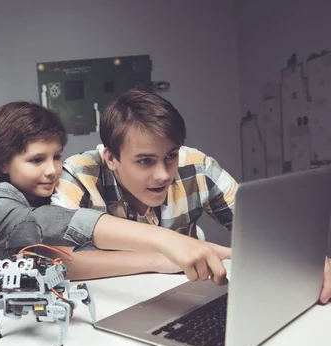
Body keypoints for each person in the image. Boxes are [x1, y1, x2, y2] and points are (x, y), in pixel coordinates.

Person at [53, 89, 331, 304]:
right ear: (111, 157)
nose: (163, 174)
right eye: (145, 161)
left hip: (189, 298)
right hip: (109, 309)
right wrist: (158, 258)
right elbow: (51, 261)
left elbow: (263, 233)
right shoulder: (79, 173)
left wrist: (308, 259)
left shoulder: (196, 165)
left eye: (170, 156)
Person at [0, 101, 231, 284]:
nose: (53, 170)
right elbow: (52, 227)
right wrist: (166, 244)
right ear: (3, 163)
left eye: (56, 157)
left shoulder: (50, 191)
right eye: (36, 160)